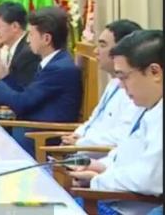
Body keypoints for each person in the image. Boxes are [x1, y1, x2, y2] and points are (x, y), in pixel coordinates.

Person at [68, 30, 163, 215]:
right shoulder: (148, 106)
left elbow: (149, 178)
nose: (120, 85)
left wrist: (97, 181)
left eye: (124, 76)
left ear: (154, 72)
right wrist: (101, 166)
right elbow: (125, 154)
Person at [0, 6, 82, 156]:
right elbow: (25, 94)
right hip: (32, 129)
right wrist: (4, 75)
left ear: (46, 39)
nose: (28, 39)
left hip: (42, 137)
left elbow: (22, 103)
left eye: (31, 34)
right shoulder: (53, 62)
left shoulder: (59, 68)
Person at [61, 20, 143, 148]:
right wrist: (77, 135)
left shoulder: (136, 90)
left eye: (103, 45)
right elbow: (93, 120)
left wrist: (81, 142)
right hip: (83, 151)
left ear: (122, 50)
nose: (95, 51)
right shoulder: (114, 83)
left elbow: (122, 135)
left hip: (99, 156)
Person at [0, 2, 41, 108]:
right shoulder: (13, 49)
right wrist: (2, 73)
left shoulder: (28, 53)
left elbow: (22, 96)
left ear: (15, 26)